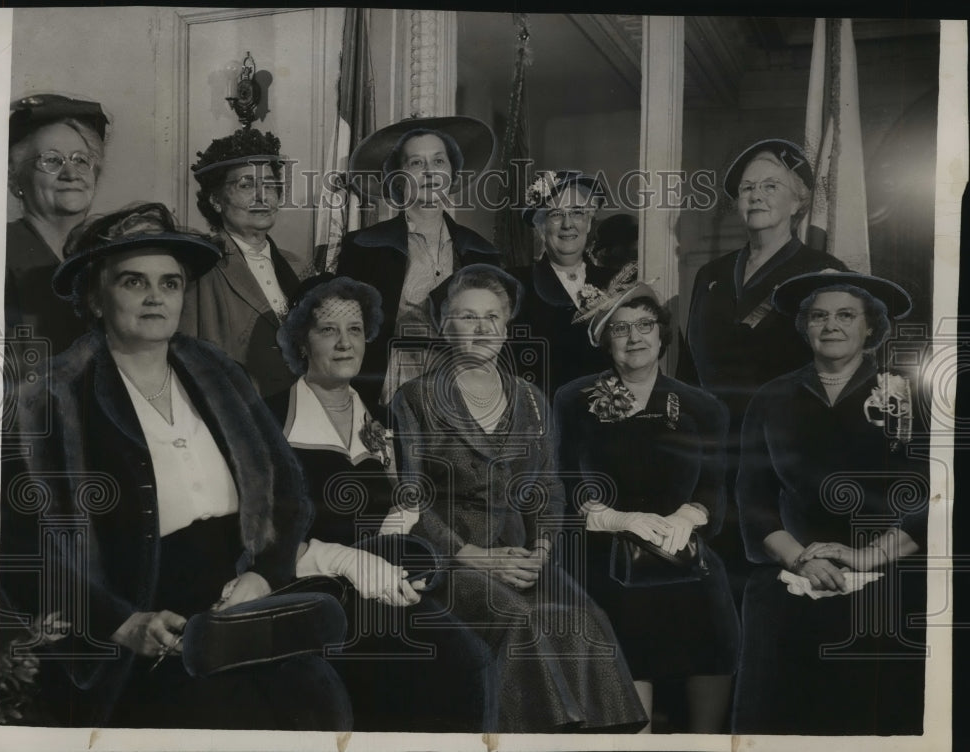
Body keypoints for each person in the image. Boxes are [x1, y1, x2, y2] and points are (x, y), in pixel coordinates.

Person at [0, 203, 400, 729]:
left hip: (241, 597)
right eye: (133, 282)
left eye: (169, 284)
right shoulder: (51, 401)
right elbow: (20, 546)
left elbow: (287, 494)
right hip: (148, 617)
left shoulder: (220, 374)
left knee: (321, 697)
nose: (154, 297)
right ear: (95, 299)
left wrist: (263, 573)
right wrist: (121, 623)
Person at [389, 263, 647, 733]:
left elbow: (548, 488)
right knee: (521, 620)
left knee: (586, 618)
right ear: (444, 326)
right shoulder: (414, 398)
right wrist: (475, 557)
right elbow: (410, 499)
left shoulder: (530, 397)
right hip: (447, 559)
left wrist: (541, 551)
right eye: (468, 317)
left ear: (506, 329)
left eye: (493, 318)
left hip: (522, 555)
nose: (482, 328)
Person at [268, 273, 496, 732]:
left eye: (354, 329)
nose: (344, 343)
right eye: (327, 329)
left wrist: (392, 540)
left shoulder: (383, 416)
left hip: (388, 581)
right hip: (309, 589)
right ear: (301, 340)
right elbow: (258, 535)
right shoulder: (269, 418)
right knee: (415, 666)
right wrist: (344, 560)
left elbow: (407, 498)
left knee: (472, 656)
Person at [733, 271, 927, 735]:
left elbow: (939, 495)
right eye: (819, 316)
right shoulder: (772, 396)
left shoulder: (912, 393)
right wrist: (799, 560)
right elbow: (752, 496)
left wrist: (865, 555)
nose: (831, 326)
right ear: (805, 326)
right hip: (793, 575)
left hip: (887, 581)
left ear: (870, 327)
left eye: (846, 315)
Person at [554, 282, 740, 733]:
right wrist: (613, 517)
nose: (634, 337)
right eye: (621, 329)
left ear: (661, 335)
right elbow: (564, 481)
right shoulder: (573, 399)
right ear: (605, 340)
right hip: (606, 553)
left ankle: (706, 741)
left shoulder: (703, 406)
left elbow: (715, 488)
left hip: (682, 551)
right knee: (627, 634)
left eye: (644, 325)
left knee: (716, 626)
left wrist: (689, 515)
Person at [677, 139, 849, 581]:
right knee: (713, 583)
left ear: (799, 201)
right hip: (713, 458)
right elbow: (689, 373)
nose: (755, 195)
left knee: (778, 589)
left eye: (771, 186)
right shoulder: (710, 276)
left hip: (785, 461)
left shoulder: (823, 271)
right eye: (748, 187)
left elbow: (841, 377)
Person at [336, 116, 501, 413]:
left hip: (463, 390)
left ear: (452, 173)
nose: (429, 172)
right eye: (415, 163)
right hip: (388, 390)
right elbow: (344, 333)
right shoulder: (363, 247)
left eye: (439, 162)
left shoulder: (483, 253)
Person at [180, 128, 305, 398]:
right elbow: (184, 358)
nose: (262, 197)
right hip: (235, 413)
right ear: (215, 200)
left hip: (300, 413)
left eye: (270, 185)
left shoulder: (299, 267)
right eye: (246, 185)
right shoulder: (200, 265)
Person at [6, 93, 109, 355]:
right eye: (51, 160)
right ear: (16, 181)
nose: (70, 174)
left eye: (80, 160)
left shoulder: (109, 253)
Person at [509, 170, 615, 398]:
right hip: (542, 417)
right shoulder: (514, 285)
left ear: (588, 223)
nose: (568, 224)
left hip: (608, 418)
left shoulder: (618, 282)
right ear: (540, 227)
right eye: (556, 214)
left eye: (578, 213)